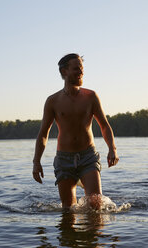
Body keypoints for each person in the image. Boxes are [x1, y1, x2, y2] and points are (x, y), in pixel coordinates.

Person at [32, 53, 119, 209]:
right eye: (76, 69)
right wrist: (36, 162)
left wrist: (112, 149)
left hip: (88, 157)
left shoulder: (91, 97)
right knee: (68, 209)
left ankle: (93, 233)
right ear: (64, 71)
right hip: (64, 159)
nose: (81, 72)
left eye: (82, 69)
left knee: (95, 205)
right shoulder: (53, 101)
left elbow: (104, 125)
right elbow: (43, 133)